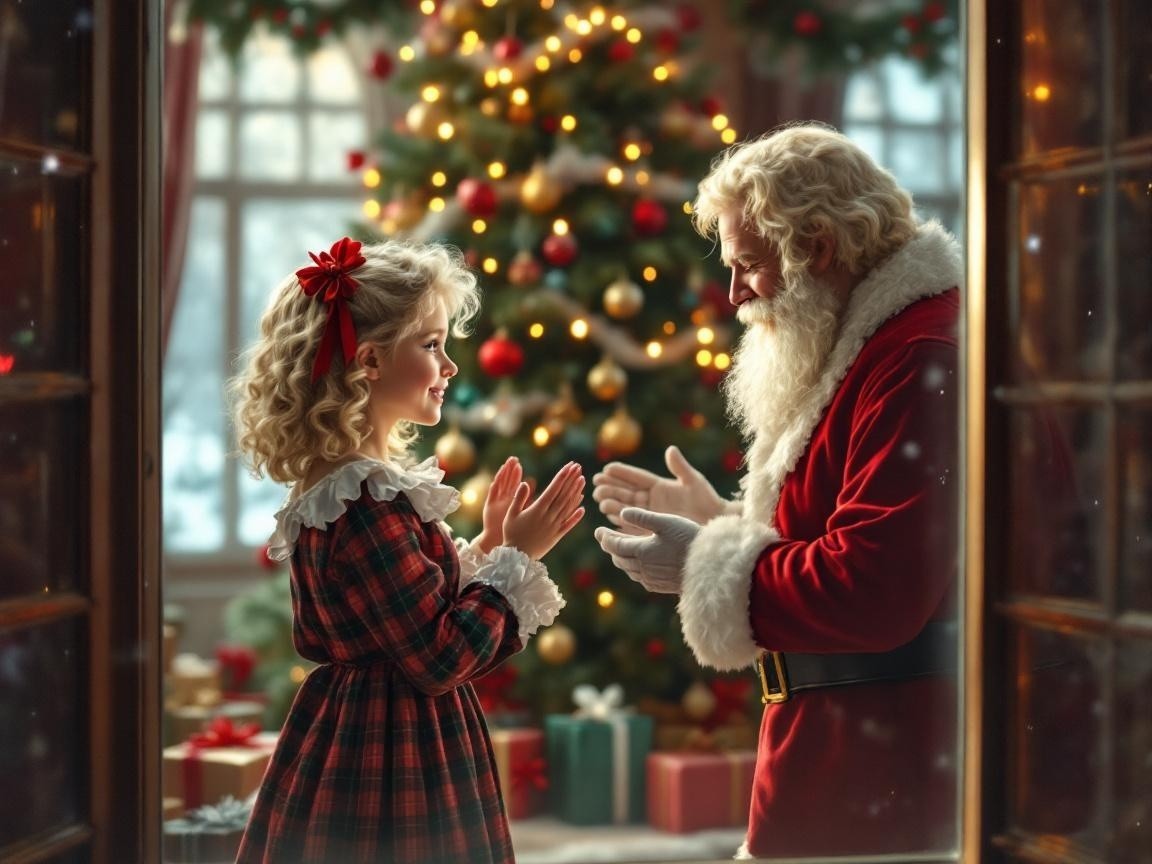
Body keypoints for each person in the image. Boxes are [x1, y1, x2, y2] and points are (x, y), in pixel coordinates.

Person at [593, 123, 962, 858]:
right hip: (850, 756)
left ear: (818, 250)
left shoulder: (921, 356)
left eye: (748, 265)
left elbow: (874, 586)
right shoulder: (883, 339)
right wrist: (724, 521)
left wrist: (707, 562)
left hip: (879, 774)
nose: (733, 295)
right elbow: (855, 524)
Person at [230, 237, 585, 864]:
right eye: (430, 345)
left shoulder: (357, 490)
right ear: (368, 361)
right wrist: (515, 564)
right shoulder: (362, 500)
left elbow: (408, 611)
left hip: (371, 732)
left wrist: (492, 549)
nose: (449, 366)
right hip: (391, 753)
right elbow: (438, 654)